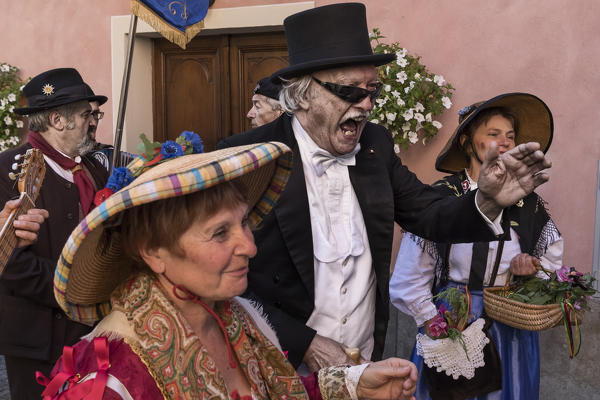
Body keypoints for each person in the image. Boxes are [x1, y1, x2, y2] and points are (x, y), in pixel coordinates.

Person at [217, 3, 552, 373]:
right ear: (303, 95)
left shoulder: (374, 145)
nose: (366, 105)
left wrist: (486, 200)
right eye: (350, 91)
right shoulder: (248, 158)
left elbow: (427, 212)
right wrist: (303, 342)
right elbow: (222, 280)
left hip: (363, 364)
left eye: (372, 90)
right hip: (278, 366)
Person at [42, 136, 418, 399]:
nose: (250, 247)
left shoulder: (235, 319)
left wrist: (353, 385)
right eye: (220, 233)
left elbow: (273, 392)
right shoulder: (111, 378)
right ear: (153, 252)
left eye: (243, 223)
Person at [389, 93, 563, 399]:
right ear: (467, 141)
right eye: (494, 134)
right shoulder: (442, 200)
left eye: (510, 136)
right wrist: (432, 321)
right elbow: (409, 276)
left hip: (509, 330)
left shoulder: (527, 202)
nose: (505, 142)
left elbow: (550, 263)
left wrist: (529, 273)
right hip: (452, 319)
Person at [0, 67, 109, 399]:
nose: (94, 121)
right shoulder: (7, 170)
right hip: (37, 337)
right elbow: (11, 263)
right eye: (86, 114)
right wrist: (77, 286)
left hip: (95, 328)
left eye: (96, 113)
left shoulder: (96, 165)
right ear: (58, 121)